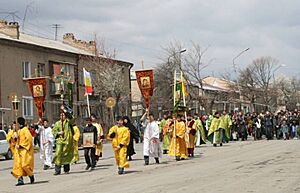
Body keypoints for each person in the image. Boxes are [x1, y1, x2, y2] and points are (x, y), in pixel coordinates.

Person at [12, 117, 35, 186]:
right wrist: (15, 138)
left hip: (25, 151)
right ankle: (20, 180)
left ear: (19, 123)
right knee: (18, 165)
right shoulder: (18, 131)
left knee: (24, 165)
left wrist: (21, 146)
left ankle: (31, 175)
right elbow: (13, 141)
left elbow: (29, 140)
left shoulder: (25, 130)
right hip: (18, 151)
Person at [52, 108, 74, 175]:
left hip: (67, 141)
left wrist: (64, 110)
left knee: (66, 154)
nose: (62, 117)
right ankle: (57, 170)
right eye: (61, 115)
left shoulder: (68, 122)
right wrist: (58, 133)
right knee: (58, 154)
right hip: (60, 141)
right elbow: (54, 131)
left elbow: (71, 118)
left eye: (63, 115)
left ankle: (66, 169)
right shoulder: (57, 123)